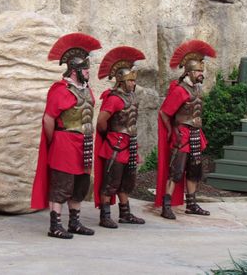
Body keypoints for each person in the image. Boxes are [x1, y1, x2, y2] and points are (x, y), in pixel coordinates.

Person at [31, 32, 101, 239]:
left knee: (81, 184)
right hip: (65, 142)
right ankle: (55, 225)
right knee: (62, 185)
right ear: (75, 71)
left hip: (85, 143)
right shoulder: (59, 90)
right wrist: (56, 140)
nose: (89, 72)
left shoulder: (86, 90)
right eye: (86, 69)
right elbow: (48, 119)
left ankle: (75, 223)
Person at [155, 39, 217, 219]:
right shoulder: (180, 90)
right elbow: (165, 113)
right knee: (176, 170)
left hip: (196, 134)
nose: (200, 73)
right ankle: (166, 206)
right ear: (188, 72)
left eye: (201, 70)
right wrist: (171, 131)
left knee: (194, 170)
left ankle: (191, 204)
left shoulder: (197, 88)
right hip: (182, 134)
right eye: (198, 71)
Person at [93, 46, 146, 228]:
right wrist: (108, 135)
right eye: (130, 81)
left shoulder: (131, 97)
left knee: (127, 181)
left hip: (130, 143)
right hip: (116, 145)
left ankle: (125, 214)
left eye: (133, 80)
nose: (133, 83)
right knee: (111, 181)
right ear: (122, 81)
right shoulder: (114, 99)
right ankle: (105, 216)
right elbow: (101, 121)